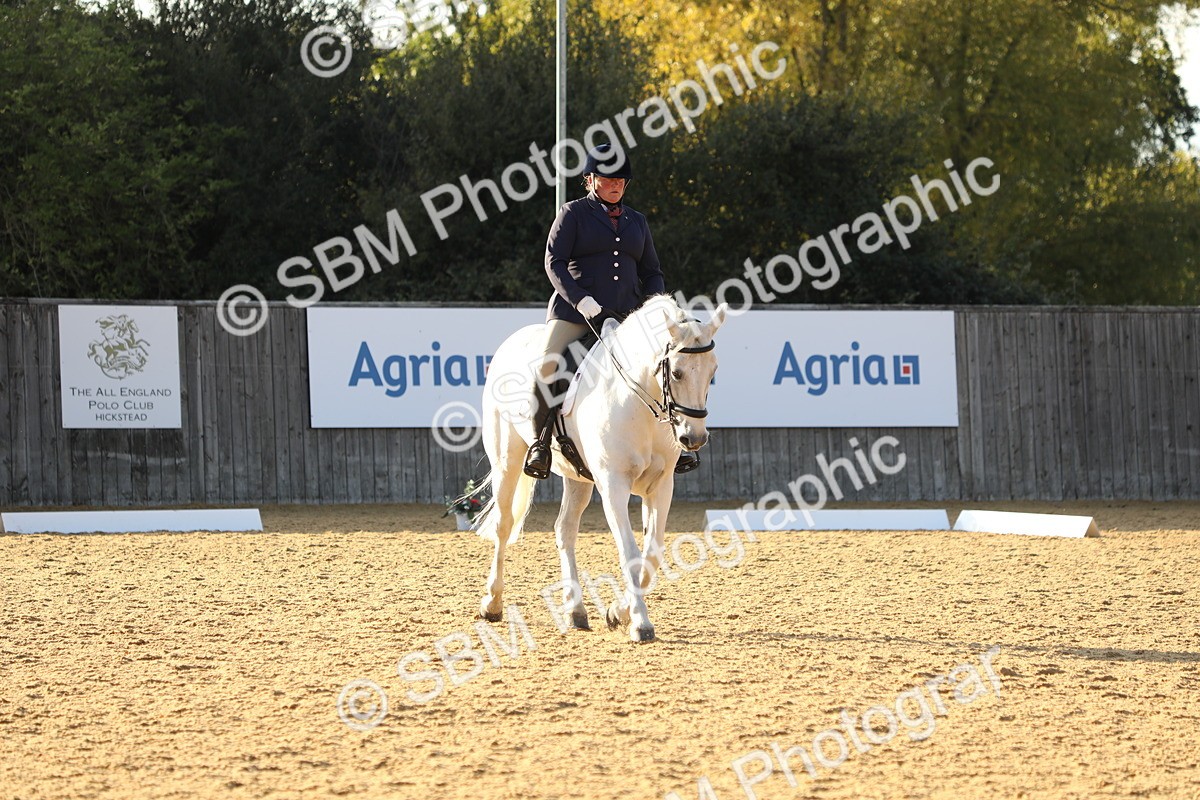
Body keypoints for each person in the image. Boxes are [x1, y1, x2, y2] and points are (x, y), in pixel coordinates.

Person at [523, 142, 699, 478]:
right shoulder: (572, 213)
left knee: (665, 369)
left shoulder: (637, 221)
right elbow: (553, 262)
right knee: (548, 365)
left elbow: (652, 272)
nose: (616, 184)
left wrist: (654, 309)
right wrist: (583, 301)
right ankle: (541, 444)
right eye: (608, 179)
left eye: (621, 180)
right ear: (590, 180)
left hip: (627, 317)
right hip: (576, 313)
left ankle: (674, 446)